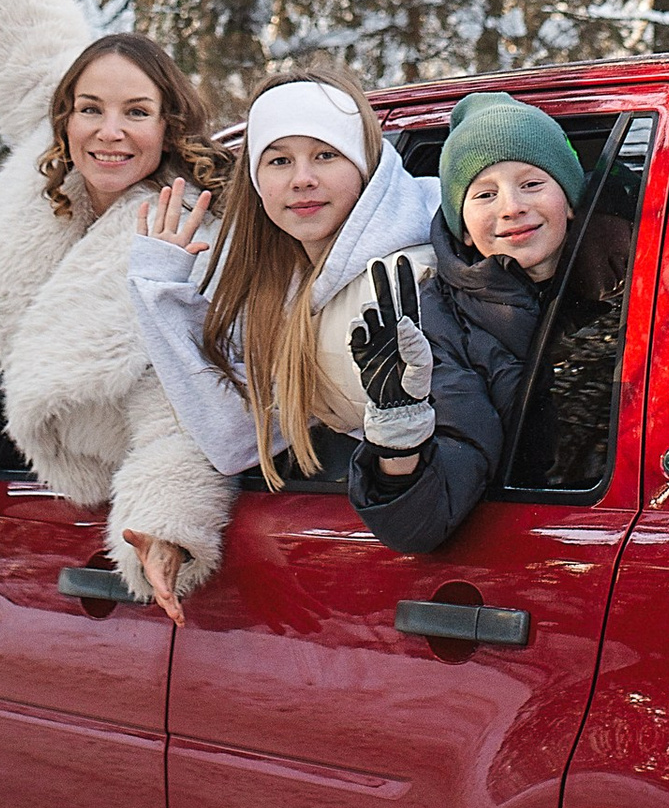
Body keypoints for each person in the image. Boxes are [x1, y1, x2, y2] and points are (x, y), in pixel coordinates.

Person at [0, 0, 241, 612]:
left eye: (136, 113)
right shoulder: (56, 184)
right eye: (90, 109)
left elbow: (184, 410)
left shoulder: (182, 233)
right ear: (66, 119)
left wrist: (162, 527)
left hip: (85, 502)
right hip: (33, 528)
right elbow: (33, 44)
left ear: (168, 124)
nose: (110, 131)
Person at [128, 70, 438, 507]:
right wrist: (160, 291)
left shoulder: (414, 275)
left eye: (326, 155)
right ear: (256, 182)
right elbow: (233, 437)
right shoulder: (281, 286)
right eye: (279, 161)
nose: (302, 179)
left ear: (365, 164)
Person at [344, 93, 589, 553]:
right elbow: (421, 524)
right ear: (462, 224)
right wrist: (399, 434)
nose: (511, 207)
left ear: (571, 198)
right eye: (484, 194)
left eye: (532, 183)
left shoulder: (646, 275)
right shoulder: (435, 322)